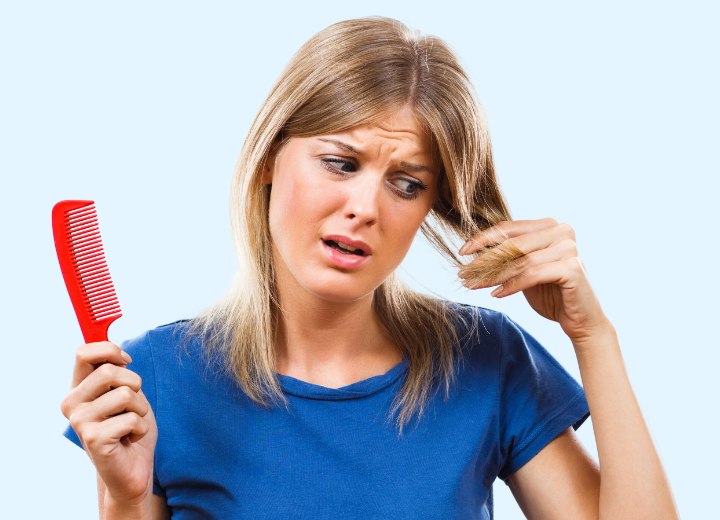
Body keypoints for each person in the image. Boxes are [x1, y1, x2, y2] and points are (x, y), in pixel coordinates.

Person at [61, 16, 678, 519]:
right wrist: (125, 497)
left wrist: (593, 337)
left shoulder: (486, 361)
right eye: (340, 162)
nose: (364, 209)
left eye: (407, 184)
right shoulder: (155, 381)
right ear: (272, 155)